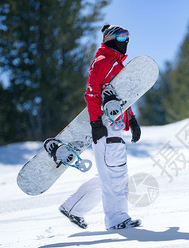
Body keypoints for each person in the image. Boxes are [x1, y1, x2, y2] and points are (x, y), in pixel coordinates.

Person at [58, 24, 142, 230]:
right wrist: (96, 123)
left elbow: (121, 97)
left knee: (107, 173)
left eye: (128, 36)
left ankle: (74, 208)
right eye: (122, 36)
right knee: (116, 174)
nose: (126, 40)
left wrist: (131, 119)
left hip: (114, 124)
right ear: (110, 38)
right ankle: (117, 220)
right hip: (105, 127)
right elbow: (92, 94)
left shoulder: (116, 63)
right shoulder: (103, 61)